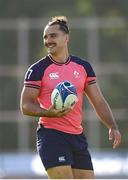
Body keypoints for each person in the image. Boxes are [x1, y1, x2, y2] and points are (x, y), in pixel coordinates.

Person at [20, 16, 121, 179]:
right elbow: (25, 106)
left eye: (53, 36)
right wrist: (49, 113)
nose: (48, 40)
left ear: (66, 38)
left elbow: (98, 100)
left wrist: (112, 126)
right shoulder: (38, 69)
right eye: (45, 37)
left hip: (77, 137)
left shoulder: (83, 67)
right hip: (52, 136)